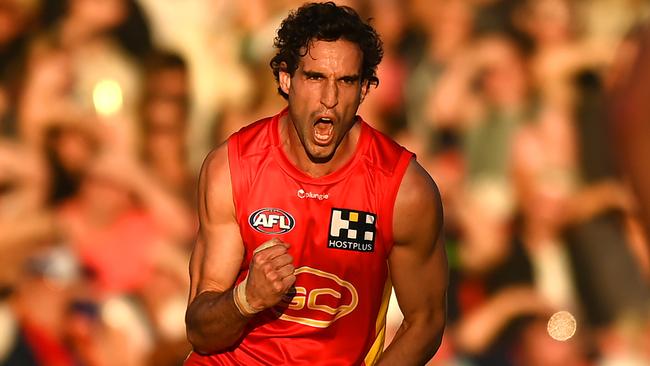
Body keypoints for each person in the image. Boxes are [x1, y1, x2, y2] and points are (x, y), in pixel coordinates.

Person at [184, 2, 448, 365]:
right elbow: (200, 331)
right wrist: (247, 299)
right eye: (315, 77)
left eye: (346, 81)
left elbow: (426, 321)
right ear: (285, 79)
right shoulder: (231, 168)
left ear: (365, 89)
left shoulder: (403, 190)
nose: (329, 99)